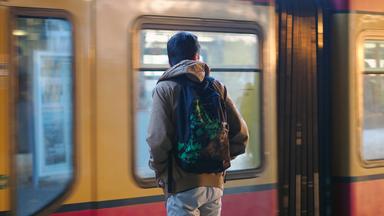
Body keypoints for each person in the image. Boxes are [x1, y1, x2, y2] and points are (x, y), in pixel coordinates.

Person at [147, 31, 249, 216]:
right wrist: (216, 158)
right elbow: (241, 135)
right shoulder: (217, 87)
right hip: (214, 187)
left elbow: (157, 140)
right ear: (197, 57)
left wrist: (162, 173)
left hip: (181, 186)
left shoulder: (164, 89)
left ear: (170, 60)